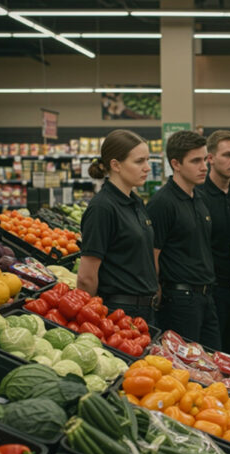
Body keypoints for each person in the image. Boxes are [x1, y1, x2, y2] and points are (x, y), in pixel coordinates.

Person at [146, 130, 221, 348]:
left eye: (205, 159)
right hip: (180, 299)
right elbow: (153, 253)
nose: (204, 166)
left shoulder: (199, 197)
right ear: (176, 164)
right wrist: (157, 290)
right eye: (195, 161)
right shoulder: (163, 203)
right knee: (186, 368)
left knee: (210, 362)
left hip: (206, 295)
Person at [78, 129, 158, 324]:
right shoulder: (102, 208)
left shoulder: (136, 202)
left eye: (147, 160)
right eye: (139, 161)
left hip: (145, 310)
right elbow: (86, 277)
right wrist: (89, 318)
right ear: (116, 165)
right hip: (119, 312)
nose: (147, 167)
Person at [196, 130, 230, 357]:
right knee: (213, 358)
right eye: (227, 155)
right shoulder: (198, 195)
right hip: (213, 292)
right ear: (210, 158)